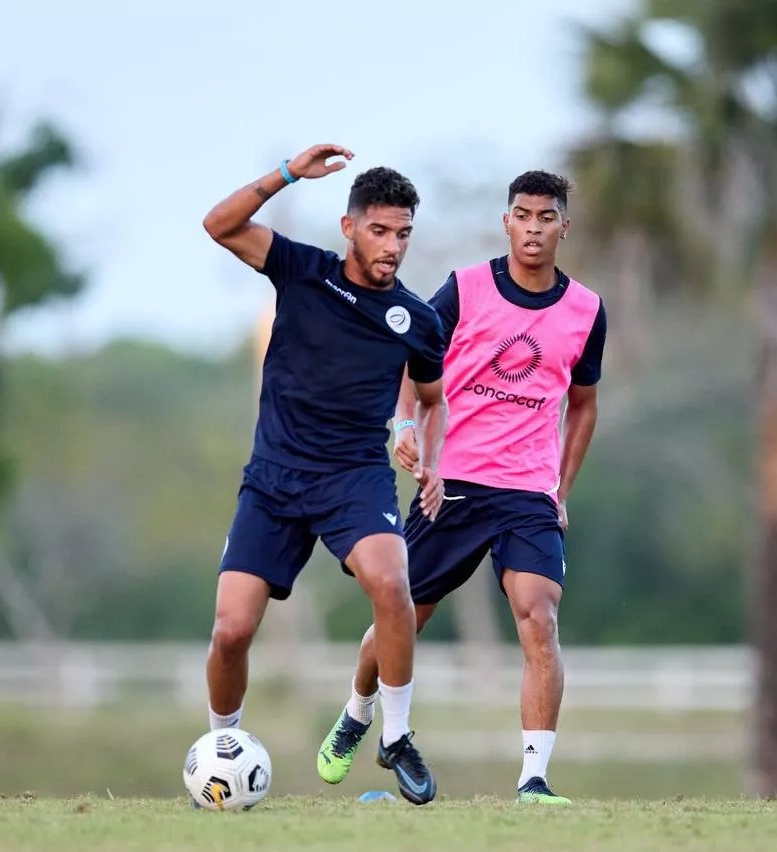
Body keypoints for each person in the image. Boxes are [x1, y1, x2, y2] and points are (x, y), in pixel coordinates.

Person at [316, 170, 606, 805]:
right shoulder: (467, 288)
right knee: (400, 617)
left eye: (546, 217)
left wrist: (560, 489)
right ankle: (358, 714)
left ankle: (534, 779)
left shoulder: (586, 310)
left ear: (564, 225)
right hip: (452, 485)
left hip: (528, 493)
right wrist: (404, 428)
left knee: (540, 619)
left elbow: (583, 406)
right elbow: (411, 360)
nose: (534, 228)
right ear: (507, 222)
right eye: (522, 215)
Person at [202, 144, 449, 806]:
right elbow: (218, 225)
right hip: (275, 478)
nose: (392, 245)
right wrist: (285, 175)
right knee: (231, 632)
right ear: (349, 228)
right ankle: (220, 748)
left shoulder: (416, 319)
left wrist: (424, 449)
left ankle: (393, 736)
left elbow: (431, 398)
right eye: (379, 230)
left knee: (393, 583)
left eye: (403, 233)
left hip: (354, 478)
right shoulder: (302, 270)